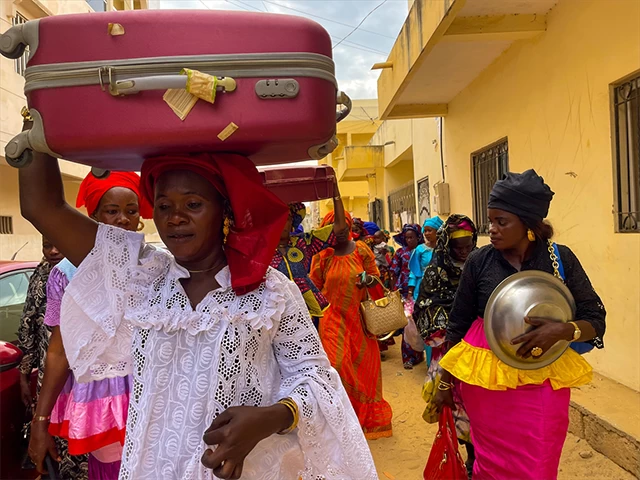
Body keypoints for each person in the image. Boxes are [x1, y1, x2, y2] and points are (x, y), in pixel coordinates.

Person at [18, 141, 378, 479]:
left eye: (192, 204)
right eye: (164, 206)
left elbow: (315, 377)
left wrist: (272, 417)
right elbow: (42, 207)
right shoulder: (142, 277)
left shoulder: (270, 291)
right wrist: (35, 130)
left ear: (225, 209)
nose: (175, 218)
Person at [435, 170, 606, 480]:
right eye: (490, 221)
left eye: (502, 222)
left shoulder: (559, 259)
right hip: (487, 382)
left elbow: (595, 318)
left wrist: (564, 330)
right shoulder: (480, 261)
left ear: (529, 225)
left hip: (541, 378)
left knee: (539, 462)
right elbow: (458, 325)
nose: (492, 230)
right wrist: (445, 382)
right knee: (489, 463)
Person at [29, 171, 152, 479]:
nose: (123, 219)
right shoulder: (68, 273)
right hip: (103, 398)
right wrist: (39, 420)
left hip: (152, 391)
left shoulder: (156, 265)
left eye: (131, 210)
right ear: (94, 215)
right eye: (112, 211)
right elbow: (59, 352)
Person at [310, 211, 393, 440]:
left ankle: (360, 421)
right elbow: (313, 287)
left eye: (344, 230)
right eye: (335, 232)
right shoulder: (322, 255)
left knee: (365, 369)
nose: (340, 235)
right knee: (337, 364)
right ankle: (341, 418)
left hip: (360, 319)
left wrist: (368, 280)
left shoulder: (362, 250)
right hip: (332, 318)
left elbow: (377, 282)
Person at [17, 238, 88, 479]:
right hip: (49, 374)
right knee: (57, 447)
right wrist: (24, 372)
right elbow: (28, 324)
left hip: (84, 378)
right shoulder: (41, 274)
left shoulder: (84, 271)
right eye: (47, 245)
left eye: (59, 244)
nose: (54, 250)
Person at [412, 214, 477, 476]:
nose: (463, 251)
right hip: (450, 354)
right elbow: (424, 308)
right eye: (457, 247)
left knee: (481, 407)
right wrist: (453, 327)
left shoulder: (483, 264)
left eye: (468, 245)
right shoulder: (435, 273)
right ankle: (468, 455)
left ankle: (477, 457)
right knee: (458, 406)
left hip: (482, 350)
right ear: (446, 245)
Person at [270, 188, 346, 329]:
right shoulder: (259, 248)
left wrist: (335, 194)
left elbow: (340, 228)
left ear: (292, 222)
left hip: (303, 309)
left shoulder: (304, 242)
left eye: (286, 218)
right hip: (271, 310)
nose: (282, 223)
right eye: (276, 218)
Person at [390, 224, 425, 369]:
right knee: (407, 324)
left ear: (418, 237)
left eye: (412, 237)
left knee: (419, 323)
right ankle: (408, 357)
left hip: (420, 290)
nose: (409, 240)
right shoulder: (400, 253)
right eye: (407, 237)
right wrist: (393, 291)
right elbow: (393, 271)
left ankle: (419, 354)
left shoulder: (423, 251)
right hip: (405, 293)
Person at [408, 216, 443, 300]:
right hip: (422, 287)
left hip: (440, 287)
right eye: (425, 231)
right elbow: (414, 271)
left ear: (437, 231)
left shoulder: (444, 249)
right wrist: (410, 292)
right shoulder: (420, 249)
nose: (426, 233)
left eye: (429, 230)